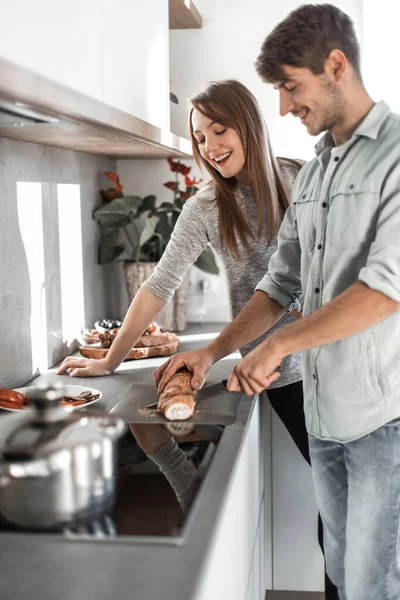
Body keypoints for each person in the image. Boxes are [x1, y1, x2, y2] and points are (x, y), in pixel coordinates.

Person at [155, 5, 400, 600]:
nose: (285, 108)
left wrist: (282, 344)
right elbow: (279, 285)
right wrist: (212, 350)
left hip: (382, 414)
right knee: (341, 565)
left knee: (375, 578)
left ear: (335, 66)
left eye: (290, 87)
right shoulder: (316, 174)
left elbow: (386, 287)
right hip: (322, 408)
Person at [57, 79, 337, 597]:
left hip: (339, 365)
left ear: (249, 124)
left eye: (219, 129)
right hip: (283, 377)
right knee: (340, 512)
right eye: (199, 137)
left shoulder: (302, 180)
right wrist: (110, 362)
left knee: (344, 514)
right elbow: (157, 287)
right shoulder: (205, 207)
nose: (209, 146)